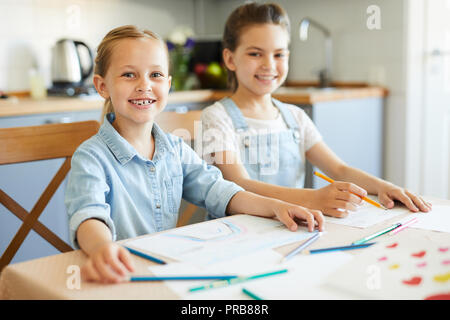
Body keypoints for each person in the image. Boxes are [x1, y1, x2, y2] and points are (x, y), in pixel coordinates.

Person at [64, 25, 324, 284]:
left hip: (166, 274)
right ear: (102, 86)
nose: (144, 85)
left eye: (155, 74)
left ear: (168, 85)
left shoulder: (176, 149)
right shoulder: (91, 157)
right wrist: (100, 248)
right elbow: (88, 215)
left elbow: (219, 191)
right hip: (119, 276)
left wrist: (277, 207)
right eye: (129, 75)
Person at [200, 2, 431, 220]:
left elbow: (338, 169)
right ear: (230, 59)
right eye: (255, 53)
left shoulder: (295, 117)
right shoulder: (216, 118)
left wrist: (386, 187)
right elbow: (239, 185)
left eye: (279, 54)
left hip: (286, 227)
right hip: (236, 233)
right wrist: (313, 198)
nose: (269, 65)